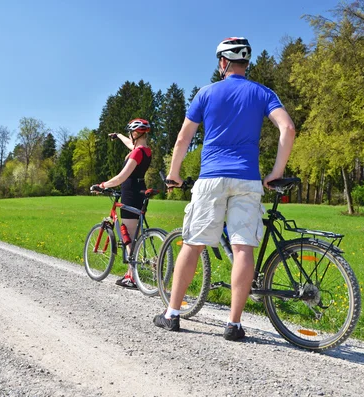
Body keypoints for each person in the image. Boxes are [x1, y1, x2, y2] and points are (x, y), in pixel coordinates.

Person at [152, 37, 296, 340]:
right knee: (243, 248)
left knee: (193, 244)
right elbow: (288, 128)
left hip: (211, 179)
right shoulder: (262, 93)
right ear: (246, 63)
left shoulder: (206, 93)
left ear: (222, 63)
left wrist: (174, 173)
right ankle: (234, 324)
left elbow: (182, 139)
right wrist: (276, 171)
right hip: (247, 179)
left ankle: (172, 314)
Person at [92, 118, 152, 289]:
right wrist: (118, 136)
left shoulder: (136, 153)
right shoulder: (145, 151)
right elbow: (130, 144)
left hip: (130, 193)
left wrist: (102, 185)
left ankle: (132, 276)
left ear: (135, 133)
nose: (128, 136)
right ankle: (130, 274)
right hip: (140, 191)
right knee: (132, 236)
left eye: (129, 133)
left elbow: (121, 177)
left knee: (128, 237)